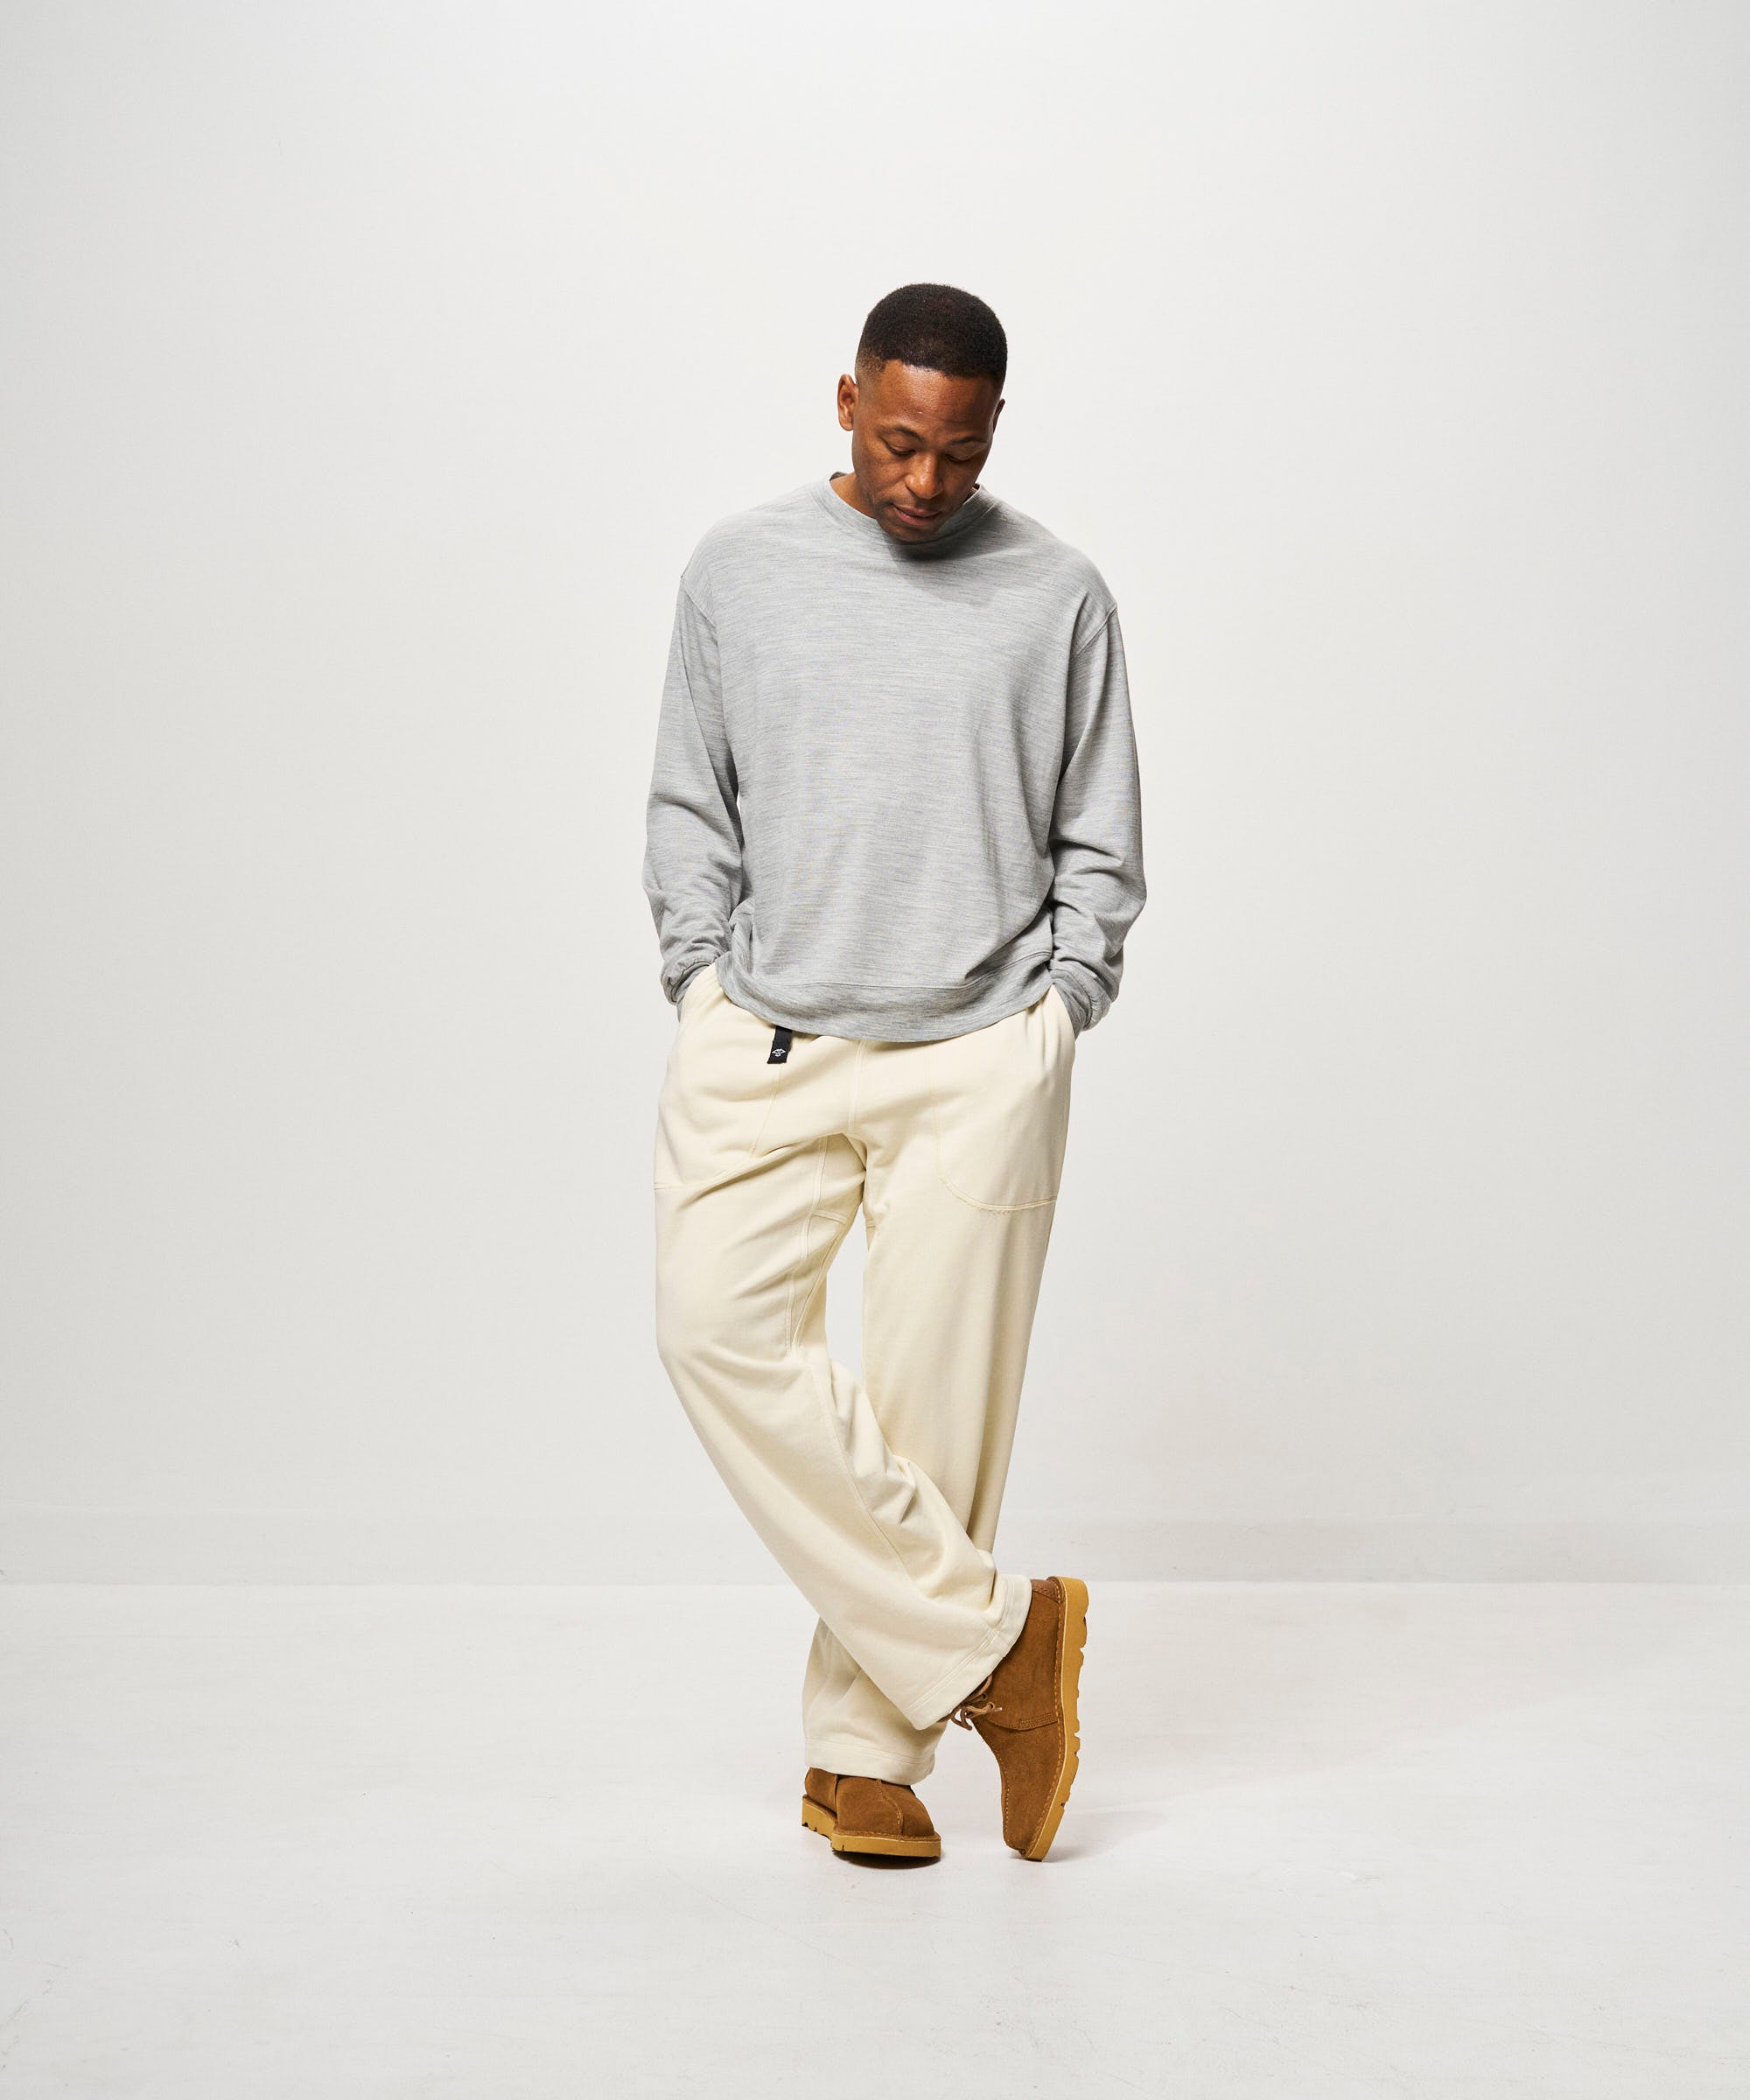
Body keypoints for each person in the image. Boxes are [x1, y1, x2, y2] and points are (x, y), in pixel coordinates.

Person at [641, 283, 1145, 1863]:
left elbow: (1101, 835)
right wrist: (699, 976)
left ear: (996, 430)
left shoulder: (1058, 593)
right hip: (771, 1036)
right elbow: (692, 799)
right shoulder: (740, 569)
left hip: (980, 1051)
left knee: (932, 1424)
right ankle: (1006, 1645)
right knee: (713, 1328)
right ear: (849, 401)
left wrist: (1055, 1013)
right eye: (902, 443)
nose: (928, 481)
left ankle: (865, 1759)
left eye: (962, 452)